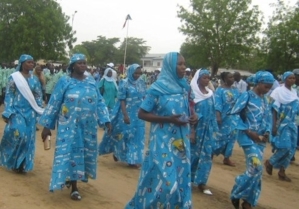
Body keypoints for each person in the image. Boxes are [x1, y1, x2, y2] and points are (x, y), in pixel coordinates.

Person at [125, 52, 198, 208]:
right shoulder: (157, 89)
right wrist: (168, 120)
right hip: (162, 141)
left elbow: (190, 108)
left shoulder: (184, 87)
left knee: (180, 181)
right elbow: (142, 113)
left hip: (182, 143)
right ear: (170, 66)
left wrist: (194, 117)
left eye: (184, 64)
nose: (184, 67)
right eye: (180, 64)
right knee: (167, 184)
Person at [39, 53, 111, 201]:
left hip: (88, 127)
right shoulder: (65, 82)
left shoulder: (91, 82)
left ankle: (72, 178)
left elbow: (100, 102)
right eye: (79, 63)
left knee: (82, 153)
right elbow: (54, 103)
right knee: (71, 152)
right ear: (72, 66)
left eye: (84, 63)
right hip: (68, 126)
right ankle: (74, 188)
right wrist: (47, 126)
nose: (83, 66)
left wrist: (106, 120)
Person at [230, 71, 274, 209]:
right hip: (248, 139)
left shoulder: (266, 100)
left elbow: (268, 118)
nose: (268, 90)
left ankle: (248, 201)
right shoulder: (246, 96)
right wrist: (248, 132)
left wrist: (267, 132)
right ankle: (237, 191)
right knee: (256, 166)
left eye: (270, 87)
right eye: (266, 87)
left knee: (256, 171)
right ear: (259, 83)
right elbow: (234, 114)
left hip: (260, 140)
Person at [0, 54, 43, 173]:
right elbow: (9, 94)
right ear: (22, 63)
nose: (31, 64)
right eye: (28, 62)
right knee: (20, 134)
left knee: (28, 138)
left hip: (31, 112)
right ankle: (12, 160)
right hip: (16, 111)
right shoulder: (14, 77)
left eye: (32, 62)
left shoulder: (34, 79)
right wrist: (8, 111)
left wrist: (39, 109)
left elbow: (38, 95)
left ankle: (21, 164)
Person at [99, 64, 146, 168]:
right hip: (126, 113)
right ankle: (117, 151)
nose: (137, 75)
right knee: (125, 135)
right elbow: (122, 100)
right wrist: (125, 115)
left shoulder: (142, 83)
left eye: (139, 73)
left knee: (138, 136)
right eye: (135, 73)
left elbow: (144, 97)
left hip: (139, 114)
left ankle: (133, 160)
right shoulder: (124, 83)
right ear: (130, 72)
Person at [264, 72, 299, 182]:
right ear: (284, 79)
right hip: (281, 124)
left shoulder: (294, 92)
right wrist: (273, 126)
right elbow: (274, 110)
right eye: (290, 78)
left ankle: (282, 171)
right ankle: (270, 162)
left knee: (292, 149)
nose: (292, 80)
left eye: (294, 78)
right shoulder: (278, 91)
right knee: (285, 147)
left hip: (292, 124)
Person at [190, 69, 217, 195]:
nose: (207, 80)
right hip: (197, 129)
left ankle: (202, 182)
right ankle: (187, 179)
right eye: (204, 78)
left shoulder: (211, 93)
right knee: (193, 155)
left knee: (207, 156)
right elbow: (190, 113)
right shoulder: (192, 94)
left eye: (208, 78)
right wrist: (192, 131)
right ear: (198, 79)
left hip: (209, 130)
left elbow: (213, 112)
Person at [214, 72, 240, 166]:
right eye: (230, 77)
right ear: (224, 79)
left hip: (234, 118)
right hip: (224, 117)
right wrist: (218, 115)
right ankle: (212, 152)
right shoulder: (219, 90)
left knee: (232, 138)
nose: (232, 79)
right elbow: (218, 103)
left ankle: (227, 157)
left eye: (233, 77)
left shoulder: (236, 90)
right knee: (220, 137)